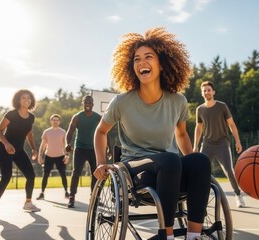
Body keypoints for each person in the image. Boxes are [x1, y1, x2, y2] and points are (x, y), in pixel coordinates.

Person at [93, 27, 212, 240]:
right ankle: (166, 235)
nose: (141, 63)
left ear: (162, 64)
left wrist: (192, 161)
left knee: (200, 161)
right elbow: (101, 132)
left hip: (169, 169)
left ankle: (194, 236)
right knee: (169, 160)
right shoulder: (122, 101)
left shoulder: (178, 101)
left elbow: (182, 135)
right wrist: (101, 162)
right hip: (136, 170)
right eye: (136, 59)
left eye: (148, 57)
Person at [0, 89, 41, 219]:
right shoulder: (11, 114)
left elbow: (29, 134)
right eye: (23, 98)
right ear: (18, 100)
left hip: (19, 150)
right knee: (6, 177)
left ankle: (28, 203)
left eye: (29, 98)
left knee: (31, 175)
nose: (26, 100)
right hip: (5, 148)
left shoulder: (31, 117)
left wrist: (34, 149)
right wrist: (6, 144)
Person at [193, 81, 246, 208]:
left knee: (228, 170)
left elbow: (231, 124)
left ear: (213, 92)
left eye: (209, 90)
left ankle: (238, 195)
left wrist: (237, 141)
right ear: (202, 93)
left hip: (222, 143)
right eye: (204, 90)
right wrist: (195, 145)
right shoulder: (199, 109)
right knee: (200, 171)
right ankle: (202, 199)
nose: (207, 92)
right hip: (207, 144)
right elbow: (198, 128)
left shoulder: (222, 106)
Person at [65, 95, 101, 208]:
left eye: (90, 102)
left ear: (93, 104)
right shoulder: (77, 117)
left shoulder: (98, 117)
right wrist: (68, 144)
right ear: (83, 103)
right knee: (76, 172)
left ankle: (94, 197)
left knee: (96, 174)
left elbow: (104, 133)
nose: (88, 104)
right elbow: (70, 132)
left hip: (93, 149)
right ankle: (71, 197)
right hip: (80, 148)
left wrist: (108, 147)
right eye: (86, 102)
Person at [36, 114, 70, 200]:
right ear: (51, 121)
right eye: (53, 120)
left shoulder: (63, 132)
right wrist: (40, 156)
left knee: (63, 174)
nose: (55, 121)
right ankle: (42, 193)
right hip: (49, 156)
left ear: (59, 122)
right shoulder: (46, 132)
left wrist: (66, 156)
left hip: (60, 156)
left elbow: (65, 145)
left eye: (57, 120)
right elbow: (43, 145)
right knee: (45, 175)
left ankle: (66, 192)